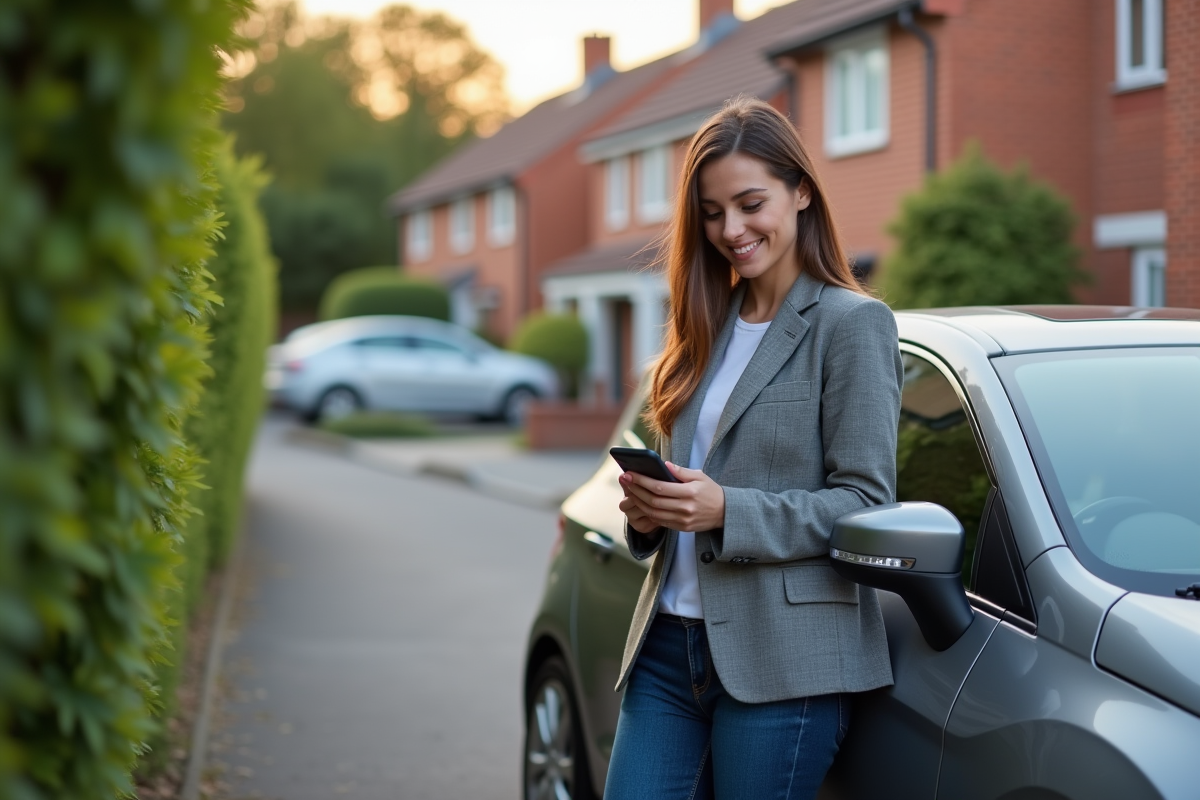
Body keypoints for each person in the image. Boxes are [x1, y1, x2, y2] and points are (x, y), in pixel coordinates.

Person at [604, 96, 903, 800]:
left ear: (801, 191)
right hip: (667, 648)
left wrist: (726, 511)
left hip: (785, 662)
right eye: (712, 213)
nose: (731, 230)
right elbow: (688, 487)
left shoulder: (852, 325)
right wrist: (650, 514)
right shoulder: (703, 327)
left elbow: (865, 504)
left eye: (750, 204)